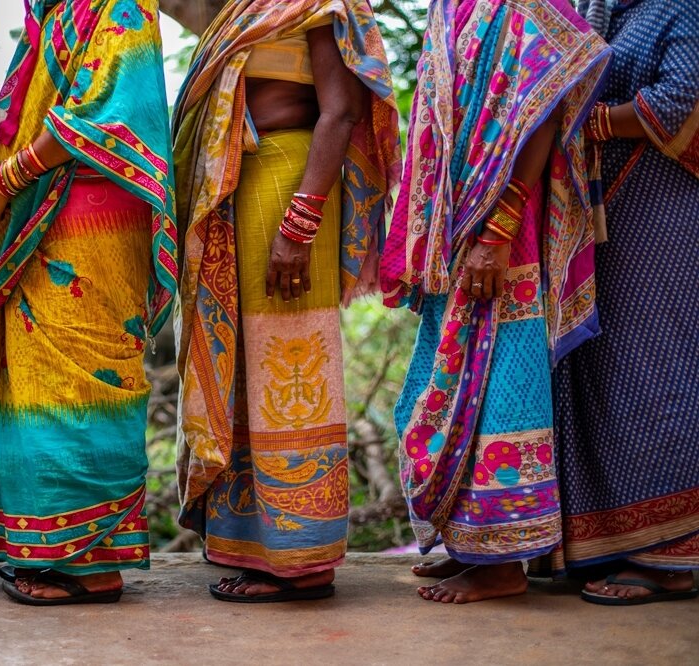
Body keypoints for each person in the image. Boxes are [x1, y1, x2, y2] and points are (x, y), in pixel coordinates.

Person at [379, 0, 610, 604]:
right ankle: (470, 545)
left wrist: (499, 229)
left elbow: (547, 109)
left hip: (499, 226)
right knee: (449, 372)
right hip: (456, 221)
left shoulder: (527, 5)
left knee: (503, 374)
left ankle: (503, 562)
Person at [174, 0, 400, 602]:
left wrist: (299, 226)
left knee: (290, 367)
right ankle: (256, 543)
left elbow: (342, 111)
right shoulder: (246, 10)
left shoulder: (318, 6)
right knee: (248, 371)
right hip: (242, 188)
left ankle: (300, 557)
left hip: (288, 186)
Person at [0, 0, 177, 606]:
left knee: (79, 377)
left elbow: (111, 114)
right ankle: (62, 554)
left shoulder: (122, 9)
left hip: (89, 219)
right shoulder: (58, 17)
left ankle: (85, 563)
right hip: (45, 213)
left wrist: (7, 178)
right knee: (43, 379)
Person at [532, 0, 699, 606]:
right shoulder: (609, 10)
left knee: (653, 370)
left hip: (661, 208)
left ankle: (670, 556)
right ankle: (605, 540)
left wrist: (590, 121)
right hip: (610, 214)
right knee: (603, 369)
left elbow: (678, 100)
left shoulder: (680, 8)